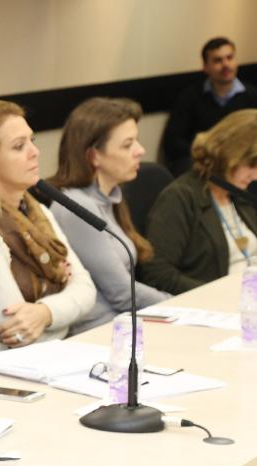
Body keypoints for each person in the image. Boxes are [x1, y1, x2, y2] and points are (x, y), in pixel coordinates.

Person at [0, 100, 96, 352]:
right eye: (18, 146)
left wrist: (45, 313)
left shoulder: (38, 212)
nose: (34, 152)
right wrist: (65, 310)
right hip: (1, 374)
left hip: (51, 358)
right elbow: (20, 335)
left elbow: (87, 290)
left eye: (31, 141)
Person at [49, 98, 172, 333]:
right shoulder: (77, 206)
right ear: (94, 156)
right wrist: (176, 305)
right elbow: (122, 294)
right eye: (127, 145)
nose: (140, 151)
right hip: (101, 335)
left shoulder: (109, 197)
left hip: (125, 325)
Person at [140, 110, 257, 295]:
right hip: (217, 303)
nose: (255, 175)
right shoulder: (181, 197)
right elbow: (157, 272)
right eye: (251, 165)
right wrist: (215, 294)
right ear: (227, 156)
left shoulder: (242, 192)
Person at [162, 37, 257, 176]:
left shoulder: (253, 95)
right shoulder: (190, 96)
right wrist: (203, 156)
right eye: (218, 60)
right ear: (205, 67)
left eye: (229, 58)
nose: (226, 65)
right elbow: (173, 140)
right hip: (203, 162)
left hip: (243, 161)